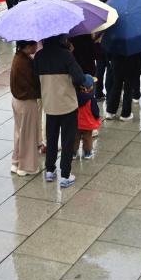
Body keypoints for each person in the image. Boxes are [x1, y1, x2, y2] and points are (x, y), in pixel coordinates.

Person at [33, 34, 85, 187]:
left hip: (50, 104)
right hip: (67, 104)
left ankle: (49, 170)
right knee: (67, 141)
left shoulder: (39, 57)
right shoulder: (66, 56)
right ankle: (65, 175)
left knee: (51, 138)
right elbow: (79, 78)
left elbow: (36, 79)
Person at [10, 41, 42, 176]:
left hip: (17, 100)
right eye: (34, 45)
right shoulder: (26, 63)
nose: (36, 47)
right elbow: (35, 82)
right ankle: (26, 167)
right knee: (28, 134)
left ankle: (16, 161)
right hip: (27, 102)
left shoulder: (18, 57)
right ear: (28, 46)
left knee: (19, 132)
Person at [76, 74, 100, 159]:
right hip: (87, 124)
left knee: (75, 138)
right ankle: (87, 153)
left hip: (77, 123)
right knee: (87, 139)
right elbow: (95, 111)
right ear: (90, 87)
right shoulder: (91, 99)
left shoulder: (75, 96)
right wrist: (97, 117)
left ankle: (73, 153)